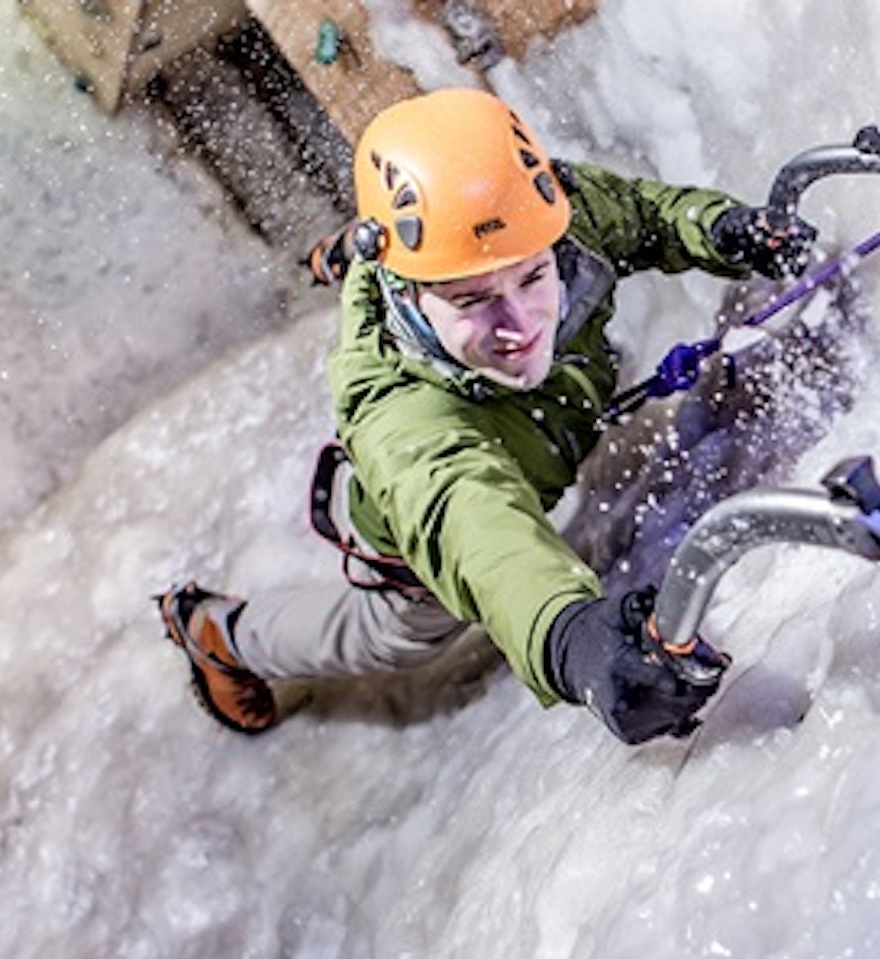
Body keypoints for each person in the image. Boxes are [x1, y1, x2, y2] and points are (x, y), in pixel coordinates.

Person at [156, 88, 817, 745]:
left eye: (533, 279)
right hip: (420, 543)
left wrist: (724, 230)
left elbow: (645, 216)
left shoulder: (542, 216)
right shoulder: (396, 411)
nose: (520, 325)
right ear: (406, 292)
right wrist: (567, 634)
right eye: (471, 299)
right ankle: (221, 633)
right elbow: (471, 519)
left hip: (536, 432)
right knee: (394, 635)